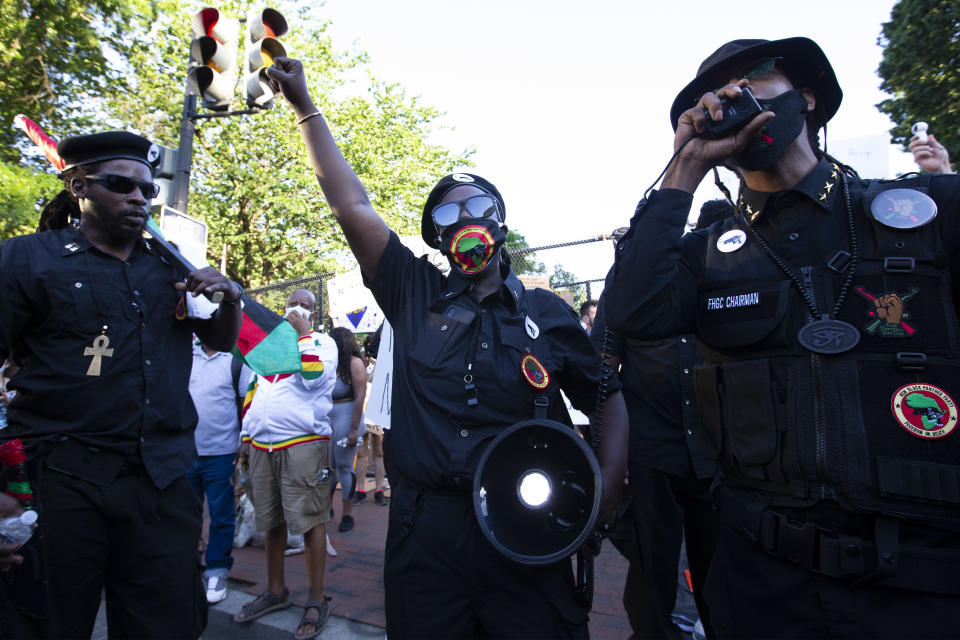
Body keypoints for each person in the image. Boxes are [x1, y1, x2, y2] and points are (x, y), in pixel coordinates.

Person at [605, 37, 960, 638]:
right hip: (761, 585)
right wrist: (685, 166)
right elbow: (632, 312)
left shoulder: (925, 213)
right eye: (714, 94)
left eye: (756, 76)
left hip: (924, 585)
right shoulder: (707, 254)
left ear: (808, 97)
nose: (731, 95)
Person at [266, 56, 629, 639]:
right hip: (424, 532)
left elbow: (608, 398)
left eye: (477, 206)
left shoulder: (546, 314)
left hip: (524, 526)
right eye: (448, 212)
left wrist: (606, 492)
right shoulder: (413, 291)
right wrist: (306, 108)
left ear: (501, 221)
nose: (465, 219)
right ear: (436, 234)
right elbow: (351, 206)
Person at [0, 130, 242, 639]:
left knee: (168, 624)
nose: (138, 196)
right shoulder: (25, 260)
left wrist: (229, 300)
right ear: (78, 185)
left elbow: (218, 340)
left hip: (161, 484)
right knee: (45, 623)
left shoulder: (168, 265)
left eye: (147, 189)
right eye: (120, 185)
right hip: (60, 483)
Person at [595, 200, 730, 640]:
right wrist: (614, 454)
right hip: (653, 450)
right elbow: (602, 367)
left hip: (716, 451)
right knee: (654, 564)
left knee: (723, 565)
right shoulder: (628, 280)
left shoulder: (717, 267)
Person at [234, 288, 338, 640]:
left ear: (315, 313)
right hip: (262, 445)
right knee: (270, 519)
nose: (298, 309)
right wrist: (246, 438)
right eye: (294, 304)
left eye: (307, 306)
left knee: (310, 520)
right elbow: (254, 392)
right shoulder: (268, 344)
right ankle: (276, 590)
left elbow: (315, 379)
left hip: (303, 445)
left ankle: (315, 598)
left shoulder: (322, 343)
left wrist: (303, 335)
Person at [187, 339, 251, 604]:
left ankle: (216, 569)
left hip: (222, 453)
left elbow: (245, 402)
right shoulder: (185, 352)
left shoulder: (236, 359)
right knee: (183, 515)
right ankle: (185, 568)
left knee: (221, 515)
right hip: (186, 451)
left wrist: (242, 441)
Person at [327, 326, 367, 532]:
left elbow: (360, 396)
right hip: (329, 416)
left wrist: (353, 429)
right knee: (328, 465)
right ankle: (327, 508)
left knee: (343, 466)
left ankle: (347, 514)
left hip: (347, 413)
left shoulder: (354, 363)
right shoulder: (329, 363)